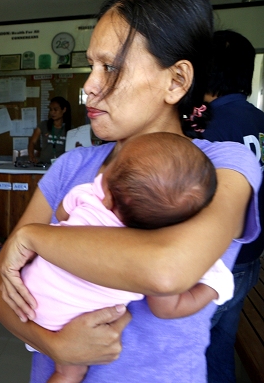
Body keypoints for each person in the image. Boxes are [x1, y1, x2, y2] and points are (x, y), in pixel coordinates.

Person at [0, 0, 261, 382]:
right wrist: (51, 344)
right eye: (91, 66)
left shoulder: (223, 167)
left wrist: (32, 238)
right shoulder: (71, 166)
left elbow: (168, 270)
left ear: (176, 80)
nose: (89, 86)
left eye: (110, 67)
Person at [22, 132, 234, 383]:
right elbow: (166, 308)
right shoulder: (154, 250)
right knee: (70, 371)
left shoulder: (89, 194)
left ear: (109, 194)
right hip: (69, 323)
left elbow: (62, 213)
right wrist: (214, 288)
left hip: (27, 297)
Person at [201, 30, 264, 383]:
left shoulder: (207, 126)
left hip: (216, 263)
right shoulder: (260, 122)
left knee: (190, 349)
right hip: (251, 259)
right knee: (220, 348)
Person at [28, 96, 72, 164]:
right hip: (44, 164)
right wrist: (31, 156)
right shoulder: (44, 125)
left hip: (62, 166)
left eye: (55, 109)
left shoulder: (70, 129)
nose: (52, 112)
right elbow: (32, 142)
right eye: (50, 109)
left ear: (64, 110)